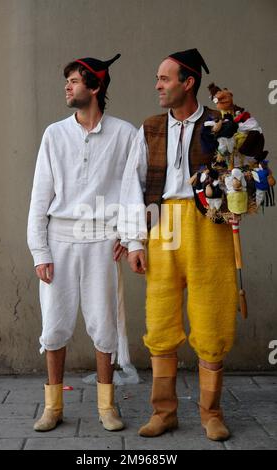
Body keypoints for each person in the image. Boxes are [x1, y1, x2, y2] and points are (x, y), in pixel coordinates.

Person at [118, 48, 238, 441]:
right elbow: (131, 186)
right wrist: (135, 241)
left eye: (164, 79)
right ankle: (163, 411)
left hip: (211, 228)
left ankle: (211, 413)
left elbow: (242, 171)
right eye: (158, 78)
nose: (157, 85)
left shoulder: (221, 124)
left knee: (212, 320)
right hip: (162, 226)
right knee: (161, 320)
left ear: (188, 83)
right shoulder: (150, 127)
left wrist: (242, 200)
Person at [27, 53, 137, 432]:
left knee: (104, 325)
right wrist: (40, 250)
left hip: (101, 241)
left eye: (74, 81)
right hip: (59, 239)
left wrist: (127, 235)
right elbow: (40, 197)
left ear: (95, 87)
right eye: (68, 81)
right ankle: (52, 406)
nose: (67, 87)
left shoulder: (125, 134)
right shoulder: (54, 134)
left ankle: (107, 406)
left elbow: (131, 191)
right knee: (54, 325)